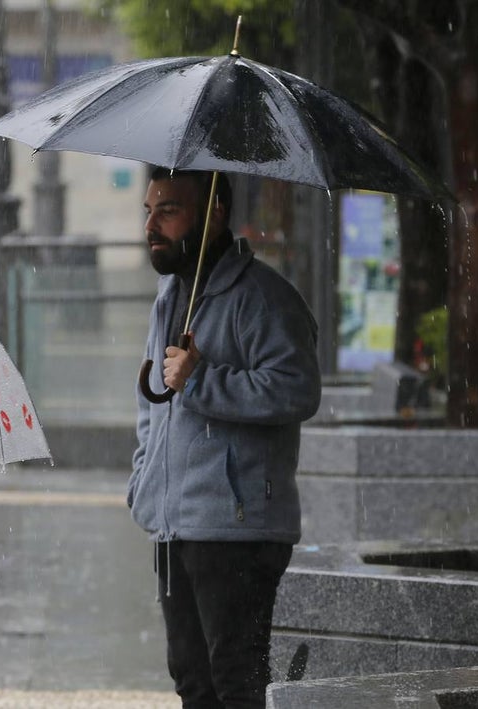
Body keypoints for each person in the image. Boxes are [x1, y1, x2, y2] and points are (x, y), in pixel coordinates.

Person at [126, 168, 321, 708]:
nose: (151, 226)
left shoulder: (263, 299)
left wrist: (202, 380)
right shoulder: (171, 296)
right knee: (192, 681)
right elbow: (151, 408)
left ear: (213, 211)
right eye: (148, 211)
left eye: (168, 211)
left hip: (236, 529)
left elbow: (297, 390)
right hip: (174, 524)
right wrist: (144, 482)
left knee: (237, 681)